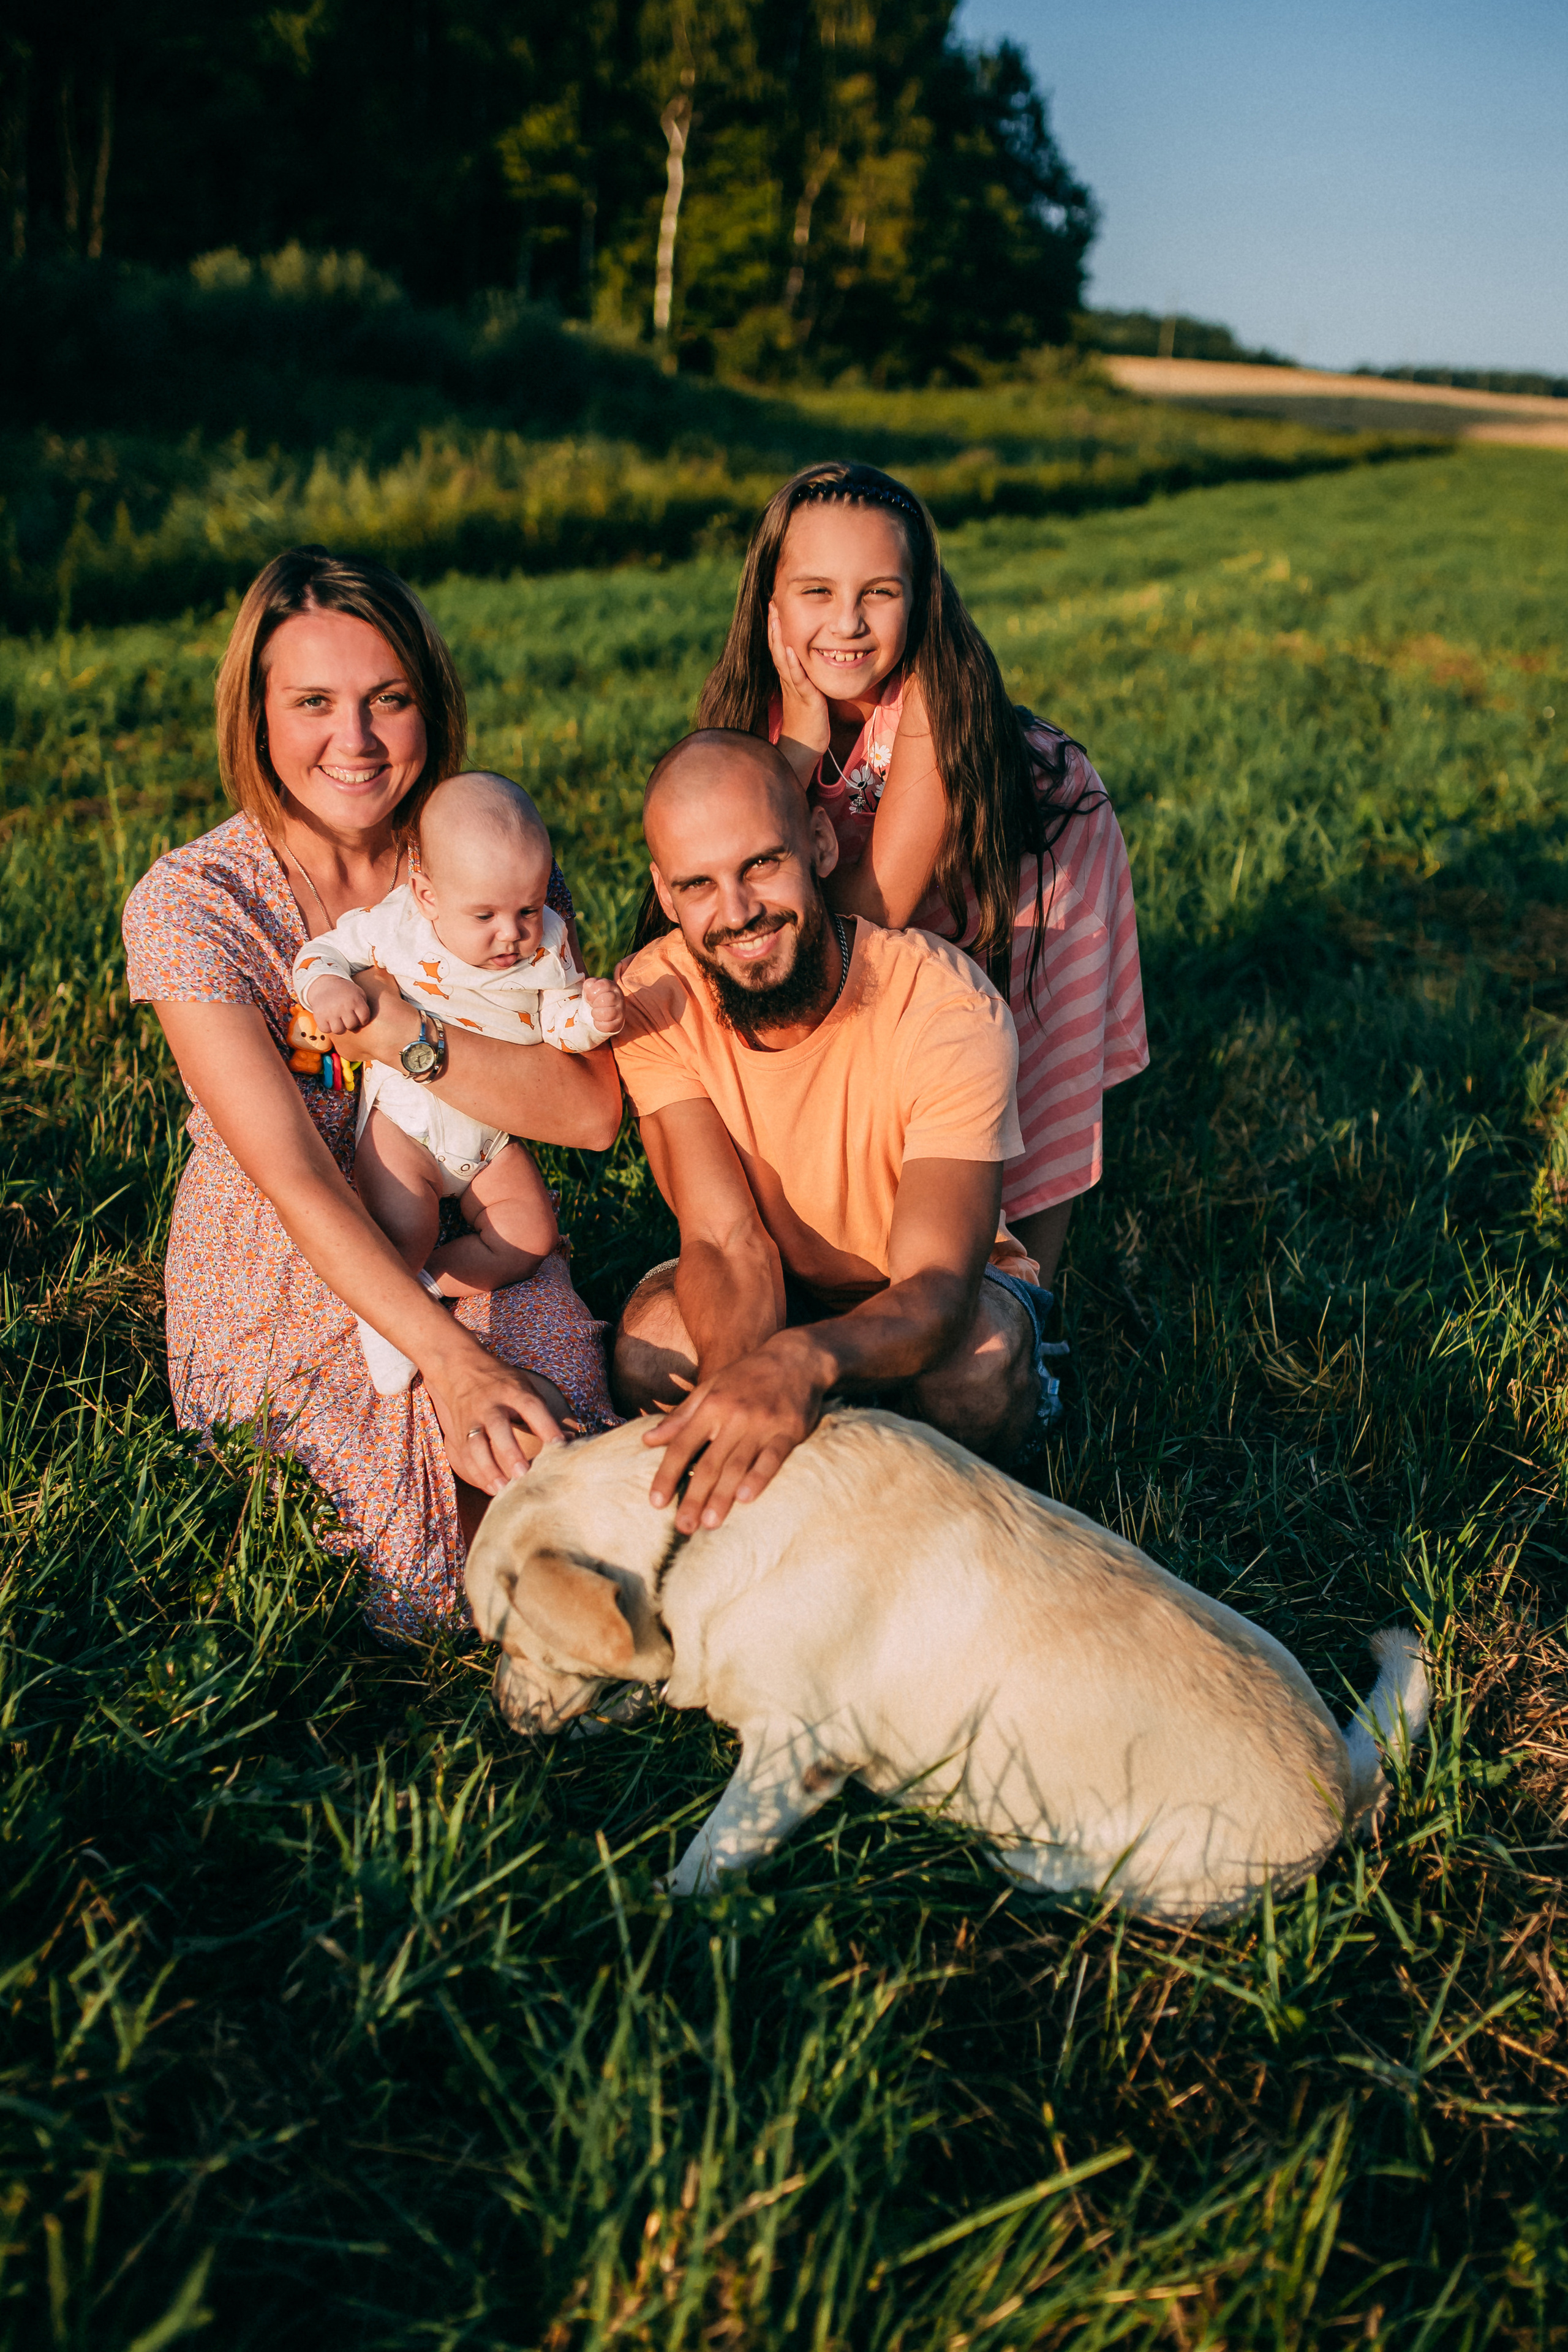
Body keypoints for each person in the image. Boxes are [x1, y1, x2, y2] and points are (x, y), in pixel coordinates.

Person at [121, 545, 622, 1645]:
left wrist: (406, 1038)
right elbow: (294, 1174)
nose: (353, 742)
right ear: (257, 718)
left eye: (387, 701)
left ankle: (592, 1640)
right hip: (285, 1256)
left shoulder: (481, 862)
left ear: (429, 708)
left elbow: (586, 1113)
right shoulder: (196, 901)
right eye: (313, 703)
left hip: (468, 1217)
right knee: (421, 1544)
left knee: (552, 1453)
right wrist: (447, 1358)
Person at [690, 458, 1148, 1293]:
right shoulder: (756, 717)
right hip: (888, 889)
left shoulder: (935, 691)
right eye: (817, 592)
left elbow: (878, 909)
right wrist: (798, 741)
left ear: (922, 599)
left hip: (1026, 853)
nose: (849, 623)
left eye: (880, 593)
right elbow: (717, 864)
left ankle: (1032, 1288)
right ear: (771, 605)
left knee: (1031, 1044)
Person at [611, 729, 1050, 1539]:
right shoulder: (654, 996)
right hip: (773, 1287)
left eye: (760, 865)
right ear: (665, 894)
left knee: (975, 1372)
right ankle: (793, 1490)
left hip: (935, 1295)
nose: (736, 913)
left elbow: (937, 1290)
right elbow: (722, 1240)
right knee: (651, 1350)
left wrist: (801, 1363)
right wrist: (742, 1386)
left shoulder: (943, 1007)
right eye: (698, 884)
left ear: (817, 843)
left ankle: (944, 1519)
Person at [292, 768, 624, 1395]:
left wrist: (590, 1018)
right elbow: (322, 952)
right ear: (428, 894)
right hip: (407, 1127)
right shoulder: (398, 928)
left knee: (531, 1234)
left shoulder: (545, 945)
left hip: (489, 1139)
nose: (512, 933)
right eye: (486, 915)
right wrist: (327, 985)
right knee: (406, 1226)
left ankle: (424, 1284)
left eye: (527, 908)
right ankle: (389, 1315)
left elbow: (556, 1020)